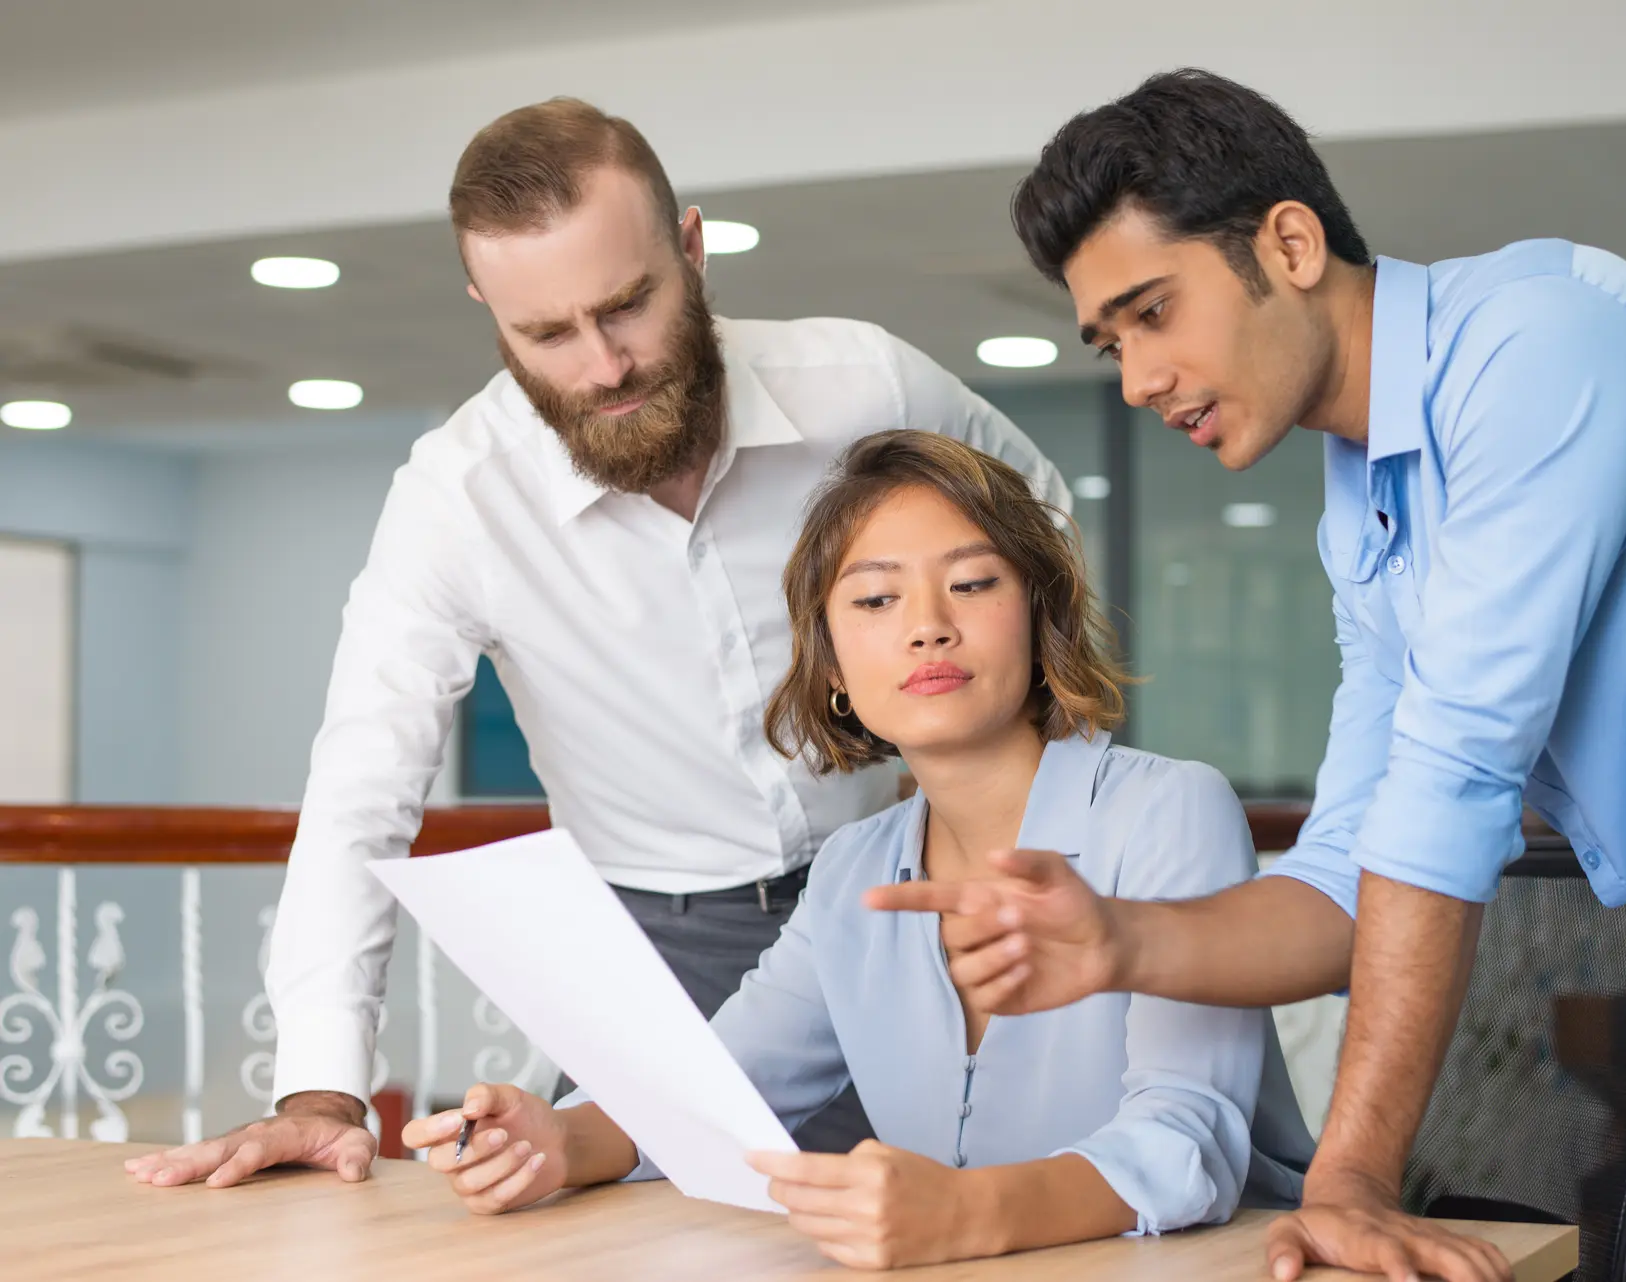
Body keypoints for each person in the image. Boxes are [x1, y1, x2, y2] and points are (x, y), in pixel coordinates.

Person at [869, 69, 1626, 1282]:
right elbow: (1348, 871)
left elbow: (1454, 782)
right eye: (1111, 342)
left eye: (1154, 313)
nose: (1137, 379)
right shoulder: (1369, 503)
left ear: (1292, 242)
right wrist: (1118, 937)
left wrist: (1354, 1176)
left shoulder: (1539, 345)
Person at [123, 98, 1064, 1191]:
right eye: (546, 333)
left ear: (692, 251)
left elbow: (1036, 515)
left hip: (902, 896)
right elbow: (359, 786)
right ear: (488, 308)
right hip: (651, 945)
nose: (605, 366)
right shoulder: (458, 497)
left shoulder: (863, 385)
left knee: (971, 1214)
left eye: (628, 306)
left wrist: (1019, 786)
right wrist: (323, 1086)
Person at [399, 430, 1326, 1269]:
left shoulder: (1169, 811)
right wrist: (557, 1142)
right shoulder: (854, 869)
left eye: (972, 583)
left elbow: (1188, 1142)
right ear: (834, 668)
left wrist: (965, 1212)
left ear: (1040, 620)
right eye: (877, 598)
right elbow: (718, 1095)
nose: (928, 625)